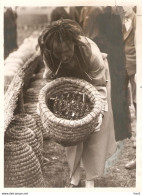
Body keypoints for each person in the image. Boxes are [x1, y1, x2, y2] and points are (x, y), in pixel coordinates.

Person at [38, 19, 131, 187]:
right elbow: (50, 79)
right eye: (60, 54)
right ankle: (74, 176)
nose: (64, 57)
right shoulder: (49, 53)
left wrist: (99, 113)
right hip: (68, 84)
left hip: (96, 83)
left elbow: (99, 84)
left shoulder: (91, 53)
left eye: (67, 51)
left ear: (74, 43)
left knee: (96, 131)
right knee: (71, 130)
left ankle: (90, 178)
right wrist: (46, 103)